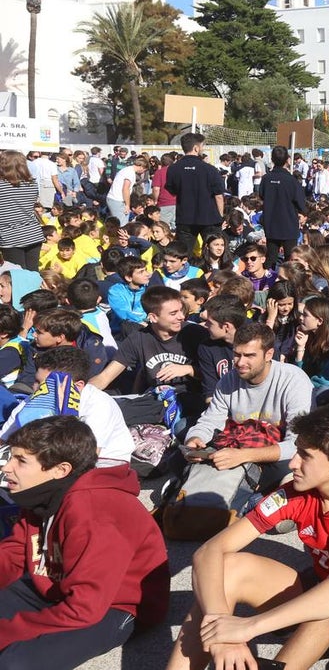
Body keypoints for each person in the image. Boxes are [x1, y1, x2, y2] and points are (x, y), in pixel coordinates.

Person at [166, 404, 329, 670]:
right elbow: (209, 551)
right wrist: (222, 629)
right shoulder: (295, 492)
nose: (293, 463)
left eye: (305, 456)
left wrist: (248, 627)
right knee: (231, 567)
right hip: (322, 589)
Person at [0, 416, 169, 667]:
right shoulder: (40, 493)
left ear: (61, 470)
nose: (6, 467)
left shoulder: (95, 511)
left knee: (16, 662)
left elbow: (85, 608)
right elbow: (13, 554)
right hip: (57, 585)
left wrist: (9, 632)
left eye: (20, 461)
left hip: (113, 606)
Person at [89, 285, 209, 422]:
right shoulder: (138, 338)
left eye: (181, 311)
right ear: (153, 317)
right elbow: (105, 377)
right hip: (156, 399)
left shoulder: (195, 334)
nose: (181, 317)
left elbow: (217, 378)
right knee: (108, 407)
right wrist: (79, 394)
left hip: (191, 399)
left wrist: (188, 369)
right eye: (173, 313)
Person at [0, 346, 134, 465]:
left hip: (103, 463)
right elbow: (4, 438)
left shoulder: (99, 405)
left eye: (47, 384)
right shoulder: (35, 399)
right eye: (36, 381)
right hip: (53, 459)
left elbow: (88, 458)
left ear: (77, 386)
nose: (36, 387)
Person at [165, 133, 226, 252]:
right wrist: (220, 216)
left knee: (184, 253)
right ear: (196, 148)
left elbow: (172, 191)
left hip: (185, 217)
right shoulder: (209, 169)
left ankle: (186, 271)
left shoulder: (173, 169)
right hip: (209, 218)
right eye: (202, 146)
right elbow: (218, 195)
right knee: (214, 251)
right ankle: (214, 270)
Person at [259, 145, 309, 266]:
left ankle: (266, 282)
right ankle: (288, 282)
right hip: (289, 224)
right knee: (290, 259)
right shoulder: (291, 180)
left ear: (272, 159)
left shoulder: (266, 179)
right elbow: (301, 203)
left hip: (271, 223)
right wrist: (305, 212)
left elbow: (261, 196)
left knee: (271, 258)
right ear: (287, 159)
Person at [0, 150, 44, 270]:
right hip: (33, 232)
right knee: (33, 271)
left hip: (10, 234)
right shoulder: (32, 184)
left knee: (17, 274)